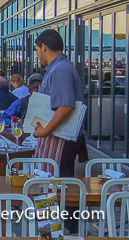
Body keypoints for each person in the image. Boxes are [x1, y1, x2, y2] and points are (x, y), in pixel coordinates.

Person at [32, 29, 85, 177]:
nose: (38, 56)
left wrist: (45, 130)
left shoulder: (60, 69)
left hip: (60, 139)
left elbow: (66, 106)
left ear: (44, 47)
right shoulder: (59, 68)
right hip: (57, 137)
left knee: (53, 184)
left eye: (37, 51)